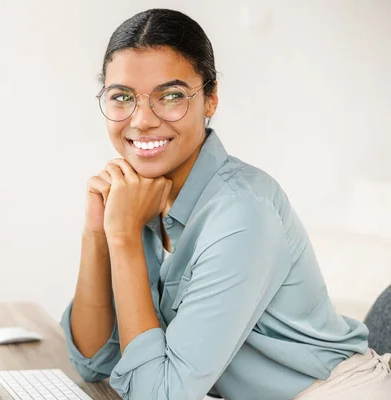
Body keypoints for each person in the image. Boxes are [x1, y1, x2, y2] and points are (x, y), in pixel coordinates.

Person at [59, 8, 391, 400]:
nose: (142, 120)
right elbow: (95, 362)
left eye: (171, 96)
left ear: (211, 98)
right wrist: (98, 231)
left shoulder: (242, 213)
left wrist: (124, 236)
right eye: (122, 97)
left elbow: (157, 396)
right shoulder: (140, 198)